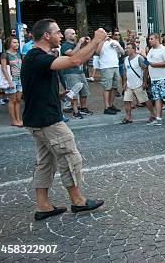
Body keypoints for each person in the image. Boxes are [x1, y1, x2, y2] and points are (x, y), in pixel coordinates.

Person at [21, 19, 106, 221]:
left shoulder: (37, 57)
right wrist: (96, 40)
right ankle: (78, 201)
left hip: (38, 118)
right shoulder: (36, 56)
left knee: (45, 163)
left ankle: (43, 206)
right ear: (46, 36)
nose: (60, 35)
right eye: (57, 32)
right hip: (48, 120)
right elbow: (74, 61)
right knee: (69, 155)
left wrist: (58, 95)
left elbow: (37, 86)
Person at [60, 29, 93, 119]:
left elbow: (84, 53)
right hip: (70, 72)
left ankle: (83, 108)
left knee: (84, 91)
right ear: (66, 35)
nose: (75, 35)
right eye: (72, 33)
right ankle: (75, 111)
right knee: (73, 92)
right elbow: (71, 54)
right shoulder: (65, 45)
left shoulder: (75, 45)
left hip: (80, 71)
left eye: (75, 33)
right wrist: (79, 43)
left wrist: (88, 44)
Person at [121, 43, 155, 124]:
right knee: (127, 101)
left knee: (145, 101)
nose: (126, 50)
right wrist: (124, 82)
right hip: (129, 84)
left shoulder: (139, 58)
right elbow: (125, 71)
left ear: (134, 49)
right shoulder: (126, 59)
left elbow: (146, 67)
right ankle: (128, 117)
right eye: (126, 48)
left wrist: (145, 81)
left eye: (128, 48)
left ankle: (153, 114)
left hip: (138, 83)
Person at [146, 33, 165, 126]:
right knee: (157, 97)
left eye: (151, 39)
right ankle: (158, 118)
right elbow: (149, 63)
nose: (150, 40)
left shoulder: (163, 50)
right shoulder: (151, 50)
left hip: (164, 77)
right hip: (154, 78)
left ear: (157, 39)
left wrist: (155, 65)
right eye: (149, 39)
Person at [96, 30, 124, 114]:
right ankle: (106, 107)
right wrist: (103, 41)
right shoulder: (99, 42)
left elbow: (122, 52)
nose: (107, 35)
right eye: (106, 34)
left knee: (115, 87)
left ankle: (111, 105)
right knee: (107, 87)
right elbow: (97, 52)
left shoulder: (114, 41)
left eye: (109, 34)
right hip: (106, 67)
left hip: (115, 66)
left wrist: (117, 47)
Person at [0, 37, 23, 126]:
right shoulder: (5, 55)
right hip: (12, 79)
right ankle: (14, 121)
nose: (16, 44)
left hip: (20, 79)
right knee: (12, 100)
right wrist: (9, 82)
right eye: (14, 42)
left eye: (17, 42)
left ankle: (18, 119)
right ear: (9, 43)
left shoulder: (18, 54)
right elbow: (4, 69)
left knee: (18, 100)